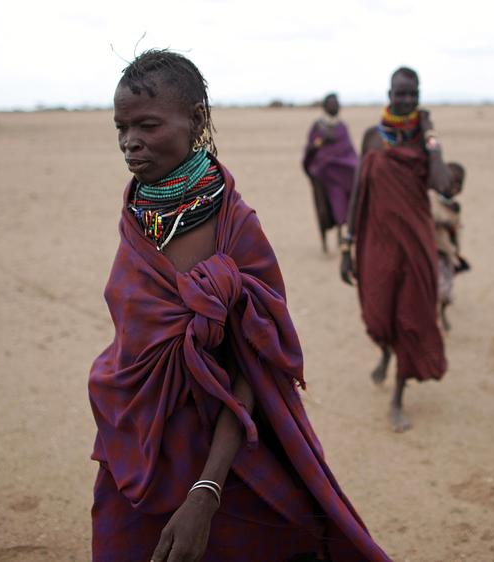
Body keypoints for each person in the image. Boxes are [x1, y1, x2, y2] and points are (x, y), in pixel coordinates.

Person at [88, 49, 391, 562]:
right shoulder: (138, 217)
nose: (130, 142)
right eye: (121, 128)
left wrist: (205, 493)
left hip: (222, 460)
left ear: (197, 119)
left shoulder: (236, 227)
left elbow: (255, 364)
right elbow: (133, 345)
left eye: (147, 125)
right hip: (136, 444)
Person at [340, 67, 452, 433]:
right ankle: (386, 352)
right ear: (389, 94)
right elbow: (357, 193)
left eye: (412, 94)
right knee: (377, 313)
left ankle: (398, 399)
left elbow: (443, 185)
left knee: (410, 315)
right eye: (399, 93)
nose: (405, 100)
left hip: (416, 242)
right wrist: (347, 245)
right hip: (377, 243)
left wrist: (432, 138)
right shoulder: (373, 136)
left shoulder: (425, 139)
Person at [302, 93, 359, 252]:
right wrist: (319, 143)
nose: (334, 106)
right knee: (323, 210)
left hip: (342, 175)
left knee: (342, 205)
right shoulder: (318, 126)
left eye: (336, 103)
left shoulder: (342, 127)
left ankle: (342, 236)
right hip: (322, 175)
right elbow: (310, 150)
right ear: (325, 107)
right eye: (331, 104)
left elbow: (350, 152)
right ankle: (324, 242)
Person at [430, 162, 468, 331]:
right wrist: (441, 222)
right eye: (451, 182)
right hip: (431, 250)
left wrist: (456, 251)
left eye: (459, 184)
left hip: (446, 254)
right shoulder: (430, 199)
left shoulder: (455, 207)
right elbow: (427, 218)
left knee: (445, 292)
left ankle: (442, 312)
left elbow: (456, 232)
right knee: (434, 290)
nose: (454, 187)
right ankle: (434, 319)